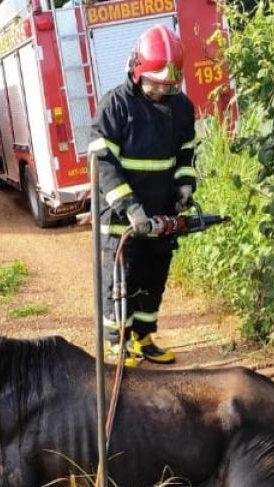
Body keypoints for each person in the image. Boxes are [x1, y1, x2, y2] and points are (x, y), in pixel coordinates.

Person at [89, 24, 197, 366]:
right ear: (136, 71)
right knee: (120, 281)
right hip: (123, 216)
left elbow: (186, 152)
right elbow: (103, 165)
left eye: (169, 85)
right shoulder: (115, 106)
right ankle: (117, 346)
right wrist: (131, 209)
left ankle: (144, 338)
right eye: (155, 83)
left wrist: (184, 186)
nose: (161, 91)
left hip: (161, 213)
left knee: (153, 277)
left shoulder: (180, 107)